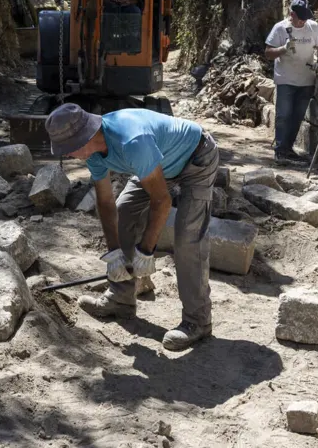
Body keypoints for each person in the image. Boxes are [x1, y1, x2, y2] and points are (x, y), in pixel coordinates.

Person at [45, 102, 219, 351]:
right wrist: (115, 252)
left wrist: (146, 251)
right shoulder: (94, 153)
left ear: (86, 136)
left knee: (188, 238)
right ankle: (122, 296)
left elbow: (162, 200)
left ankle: (198, 320)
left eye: (69, 149)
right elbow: (106, 203)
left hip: (196, 158)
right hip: (158, 165)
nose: (69, 155)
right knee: (125, 209)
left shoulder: (132, 141)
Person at [264, 0, 318, 162]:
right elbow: (268, 53)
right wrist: (283, 49)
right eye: (300, 18)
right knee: (283, 116)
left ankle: (288, 149)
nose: (303, 22)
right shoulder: (280, 28)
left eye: (306, 18)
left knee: (297, 117)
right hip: (285, 78)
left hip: (306, 79)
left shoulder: (313, 27)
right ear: (291, 14)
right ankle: (280, 151)